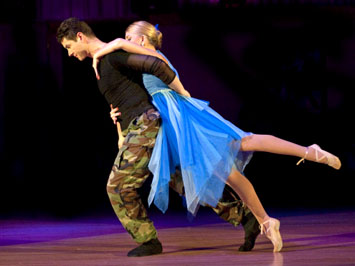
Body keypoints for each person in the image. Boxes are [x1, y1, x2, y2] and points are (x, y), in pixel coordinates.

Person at [92, 21, 342, 253]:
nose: (124, 41)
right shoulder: (140, 60)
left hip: (181, 114)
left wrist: (108, 46)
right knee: (229, 171)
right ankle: (266, 221)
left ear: (143, 40)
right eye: (124, 38)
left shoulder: (151, 54)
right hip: (170, 116)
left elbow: (160, 69)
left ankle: (310, 152)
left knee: (243, 142)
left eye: (128, 37)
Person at [55, 17, 260, 258]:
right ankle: (246, 218)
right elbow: (119, 103)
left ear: (80, 36)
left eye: (68, 47)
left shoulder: (113, 54)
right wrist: (119, 132)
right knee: (183, 181)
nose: (69, 54)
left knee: (118, 187)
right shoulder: (101, 63)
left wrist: (183, 93)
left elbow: (157, 64)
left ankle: (149, 241)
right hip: (138, 126)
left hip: (146, 124)